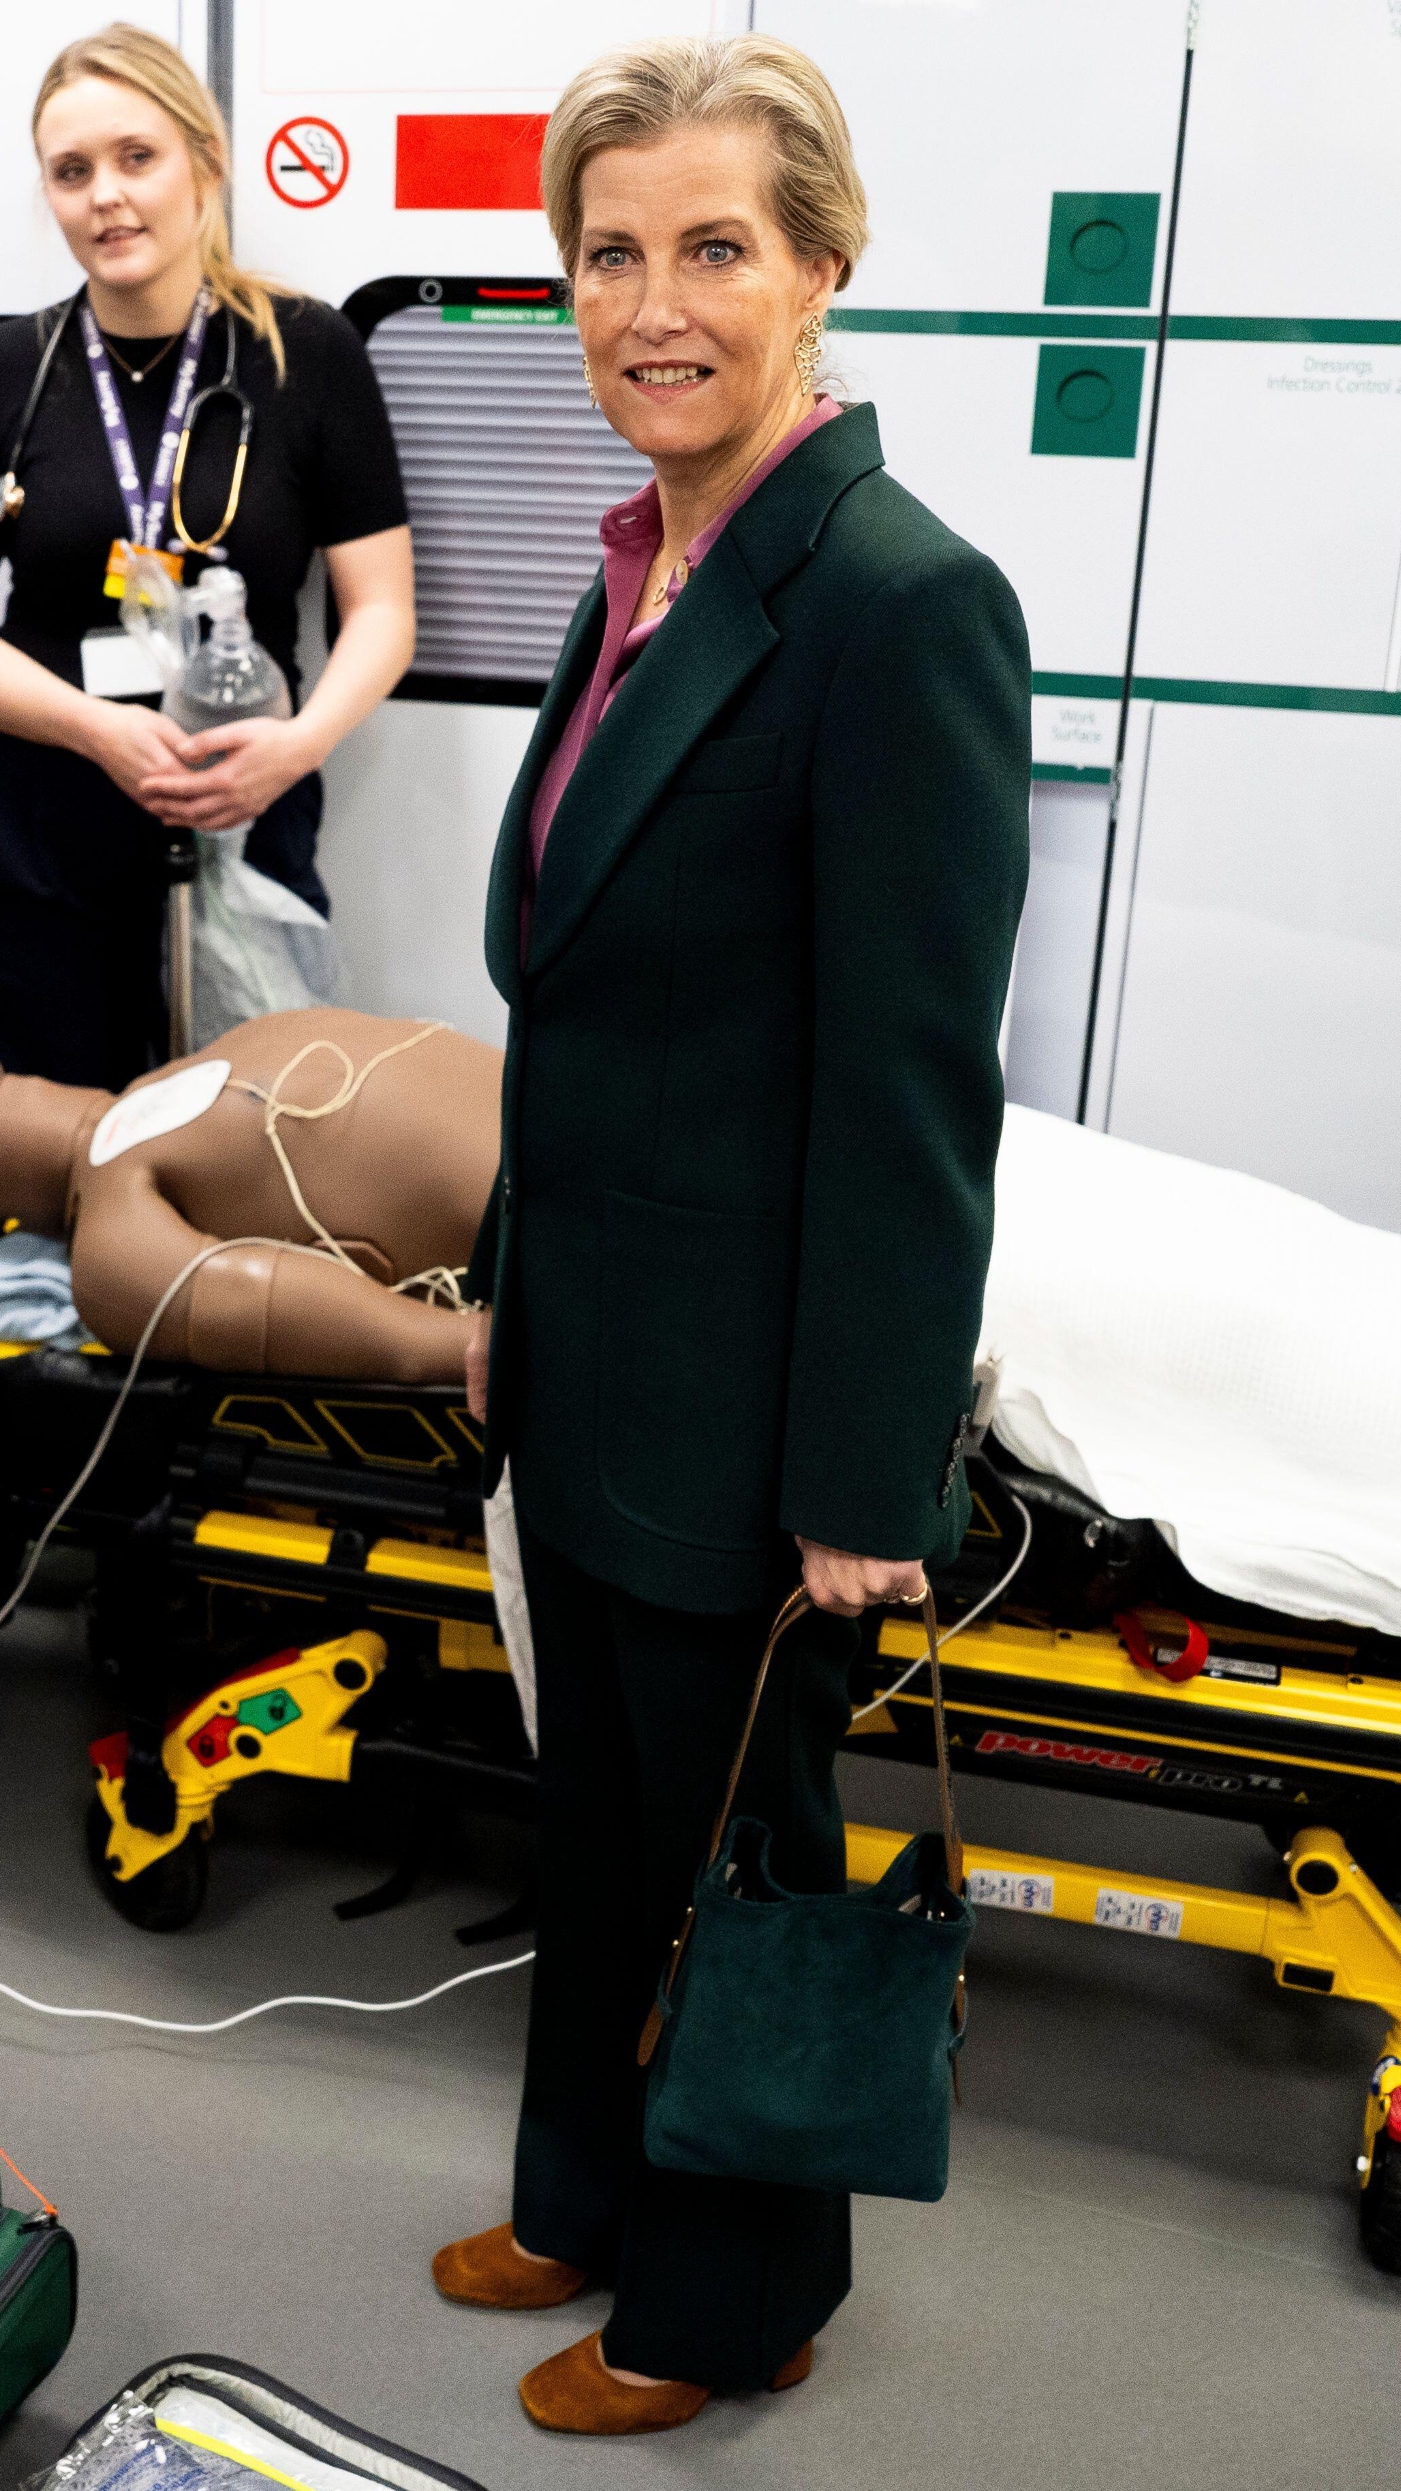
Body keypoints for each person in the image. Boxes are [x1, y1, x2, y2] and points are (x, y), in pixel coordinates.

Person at [433, 33, 1030, 2436]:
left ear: (819, 270)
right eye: (607, 251)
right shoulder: (646, 560)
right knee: (600, 1820)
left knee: (732, 1852)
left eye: (709, 248)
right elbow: (581, 996)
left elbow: (909, 1092)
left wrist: (864, 1481)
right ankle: (585, 2187)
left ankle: (730, 2289)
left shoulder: (892, 602)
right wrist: (503, 1280)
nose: (648, 304)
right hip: (599, 1336)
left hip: (755, 1381)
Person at [0, 24, 415, 1093]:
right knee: (64, 1136)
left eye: (137, 157)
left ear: (205, 162)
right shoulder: (10, 365)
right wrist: (97, 731)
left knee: (248, 1126)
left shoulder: (308, 354)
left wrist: (298, 744)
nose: (107, 196)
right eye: (72, 171)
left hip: (252, 797)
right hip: (47, 820)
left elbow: (380, 611)